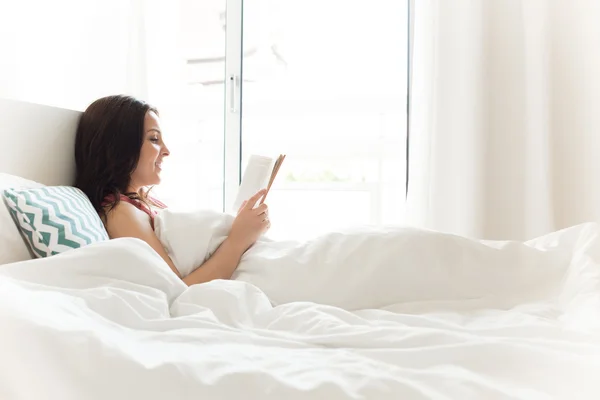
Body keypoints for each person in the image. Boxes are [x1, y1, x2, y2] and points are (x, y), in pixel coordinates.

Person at [74, 95, 271, 285]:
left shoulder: (143, 201)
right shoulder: (120, 212)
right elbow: (178, 288)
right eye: (154, 139)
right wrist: (238, 240)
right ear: (119, 146)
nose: (166, 150)